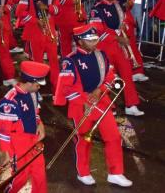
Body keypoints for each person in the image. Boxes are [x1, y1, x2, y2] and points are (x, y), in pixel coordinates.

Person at [54, 25, 133, 187]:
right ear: (80, 41)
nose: (95, 42)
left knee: (114, 137)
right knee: (83, 140)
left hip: (102, 101)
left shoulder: (101, 55)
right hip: (80, 105)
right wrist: (84, 100)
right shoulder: (70, 60)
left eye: (95, 39)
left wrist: (100, 89)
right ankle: (83, 172)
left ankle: (116, 172)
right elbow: (65, 87)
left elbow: (111, 76)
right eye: (90, 40)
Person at [89, 0, 144, 116]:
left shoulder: (117, 5)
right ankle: (105, 106)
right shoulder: (97, 9)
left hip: (118, 46)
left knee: (127, 73)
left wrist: (123, 30)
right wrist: (116, 37)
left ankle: (131, 104)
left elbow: (121, 22)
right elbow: (96, 31)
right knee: (106, 77)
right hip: (105, 47)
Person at [0, 61, 48, 193]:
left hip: (33, 140)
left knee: (39, 172)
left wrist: (40, 124)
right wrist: (6, 156)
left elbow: (35, 112)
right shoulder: (10, 101)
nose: (39, 87)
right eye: (38, 84)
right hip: (17, 145)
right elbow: (3, 132)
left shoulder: (32, 93)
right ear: (29, 82)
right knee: (19, 177)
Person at [16, 0, 60, 91]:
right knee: (37, 61)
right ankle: (36, 90)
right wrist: (36, 21)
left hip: (50, 27)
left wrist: (48, 7)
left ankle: (56, 85)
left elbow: (58, 8)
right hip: (35, 30)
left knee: (54, 60)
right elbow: (19, 12)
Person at [107, 0, 149, 82]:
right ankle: (111, 73)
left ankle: (136, 70)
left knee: (131, 41)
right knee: (113, 44)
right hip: (112, 15)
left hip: (126, 14)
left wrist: (131, 0)